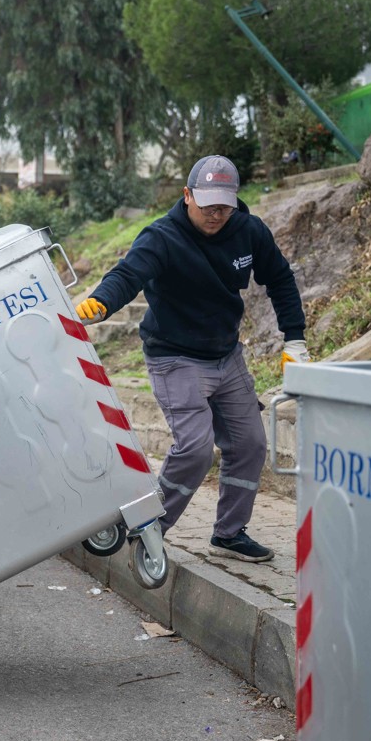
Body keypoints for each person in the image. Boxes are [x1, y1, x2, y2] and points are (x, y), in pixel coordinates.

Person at [75, 155, 309, 563]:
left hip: (226, 355)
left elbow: (282, 279)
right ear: (187, 196)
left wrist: (295, 339)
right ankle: (150, 528)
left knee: (251, 443)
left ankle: (230, 533)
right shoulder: (163, 237)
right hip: (175, 356)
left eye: (224, 206)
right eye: (207, 206)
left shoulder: (248, 231)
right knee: (197, 448)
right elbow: (128, 274)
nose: (216, 215)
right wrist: (100, 302)